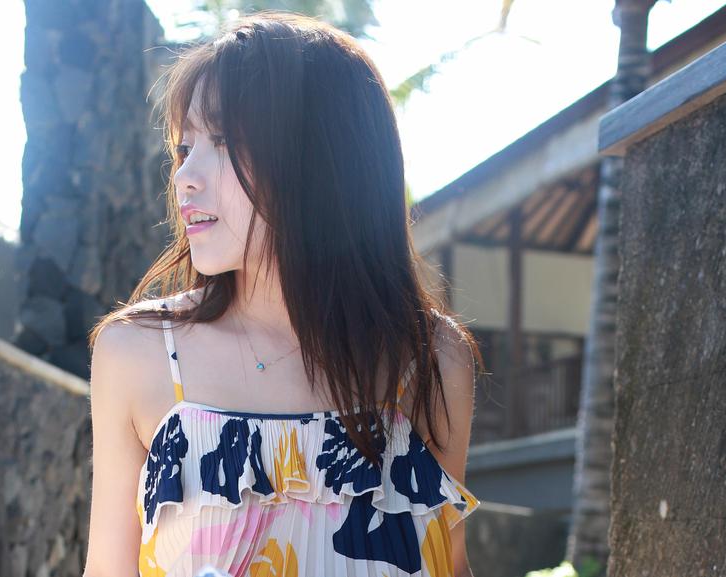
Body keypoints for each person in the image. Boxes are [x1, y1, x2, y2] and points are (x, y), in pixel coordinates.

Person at [83, 11, 486, 577]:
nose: (184, 177)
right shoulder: (138, 353)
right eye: (184, 147)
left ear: (318, 157)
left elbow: (449, 562)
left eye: (222, 141)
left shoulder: (430, 358)